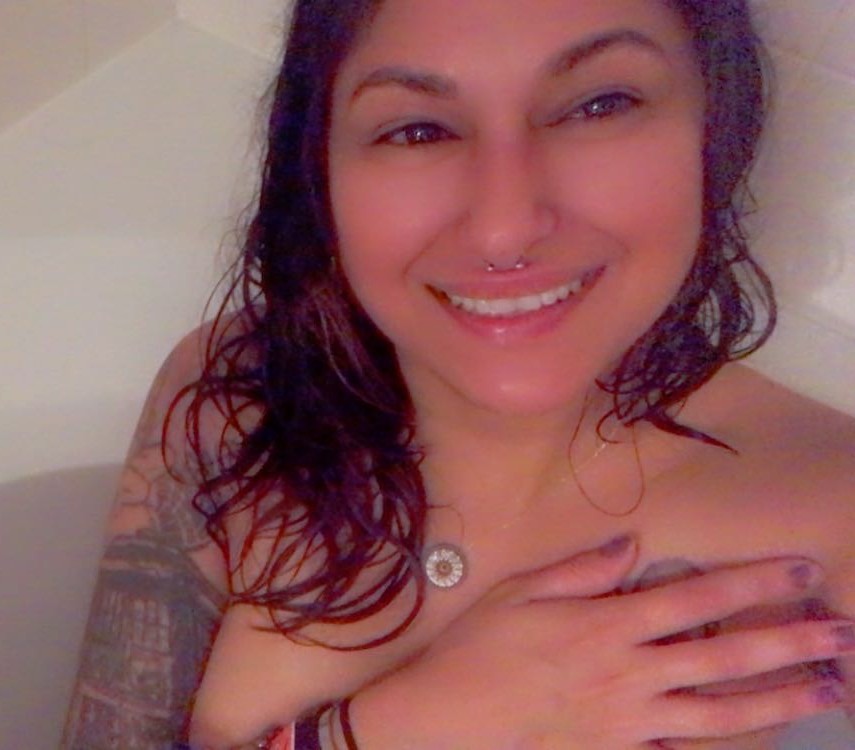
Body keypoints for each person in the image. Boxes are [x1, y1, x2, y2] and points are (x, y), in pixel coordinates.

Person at [62, 0, 855, 748]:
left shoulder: (830, 511)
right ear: (321, 165)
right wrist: (395, 728)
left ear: (715, 122)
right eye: (417, 130)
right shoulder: (241, 392)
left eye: (597, 105)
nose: (504, 229)